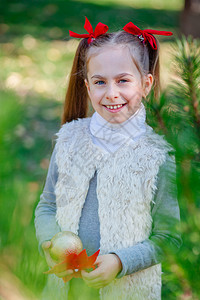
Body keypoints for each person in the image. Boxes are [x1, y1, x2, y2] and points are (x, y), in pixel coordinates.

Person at [35, 17, 182, 300]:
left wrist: (120, 262)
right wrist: (49, 244)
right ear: (88, 87)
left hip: (128, 292)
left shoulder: (157, 155)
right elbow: (47, 206)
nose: (111, 93)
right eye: (100, 82)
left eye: (123, 80)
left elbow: (170, 237)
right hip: (65, 291)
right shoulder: (68, 140)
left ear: (146, 84)